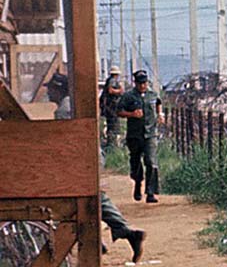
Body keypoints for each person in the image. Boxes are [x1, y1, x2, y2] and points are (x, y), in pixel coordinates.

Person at [45, 73, 146, 263]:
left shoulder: (64, 110)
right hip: (87, 157)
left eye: (51, 88)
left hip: (79, 159)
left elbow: (64, 140)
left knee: (76, 198)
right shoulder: (70, 105)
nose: (48, 92)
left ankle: (118, 234)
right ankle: (109, 237)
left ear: (58, 88)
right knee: (91, 197)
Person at [117, 70, 164, 203]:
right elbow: (119, 111)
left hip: (150, 134)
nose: (142, 85)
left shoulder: (152, 94)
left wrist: (160, 115)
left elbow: (158, 103)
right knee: (136, 162)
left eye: (144, 83)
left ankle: (150, 192)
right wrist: (131, 114)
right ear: (135, 83)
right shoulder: (128, 96)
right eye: (140, 83)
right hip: (135, 134)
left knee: (151, 162)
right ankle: (138, 183)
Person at [100, 66, 124, 148]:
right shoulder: (112, 81)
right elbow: (110, 90)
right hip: (111, 107)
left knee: (112, 126)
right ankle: (112, 144)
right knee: (113, 126)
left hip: (110, 107)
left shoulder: (109, 80)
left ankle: (111, 144)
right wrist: (119, 91)